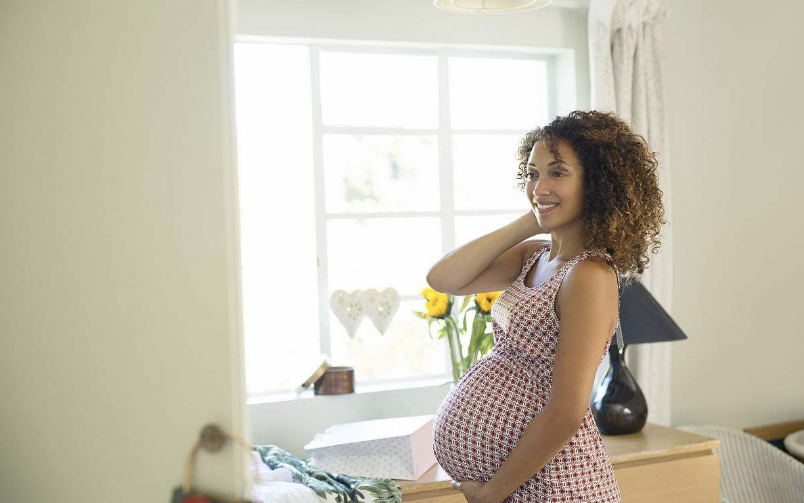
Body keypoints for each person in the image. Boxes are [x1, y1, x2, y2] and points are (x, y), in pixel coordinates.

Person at [426, 110, 665, 503]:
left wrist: (491, 495)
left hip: (557, 488)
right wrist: (530, 220)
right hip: (525, 488)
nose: (539, 185)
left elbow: (567, 411)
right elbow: (443, 279)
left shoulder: (588, 275)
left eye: (557, 173)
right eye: (532, 174)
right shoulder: (533, 258)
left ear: (598, 184)